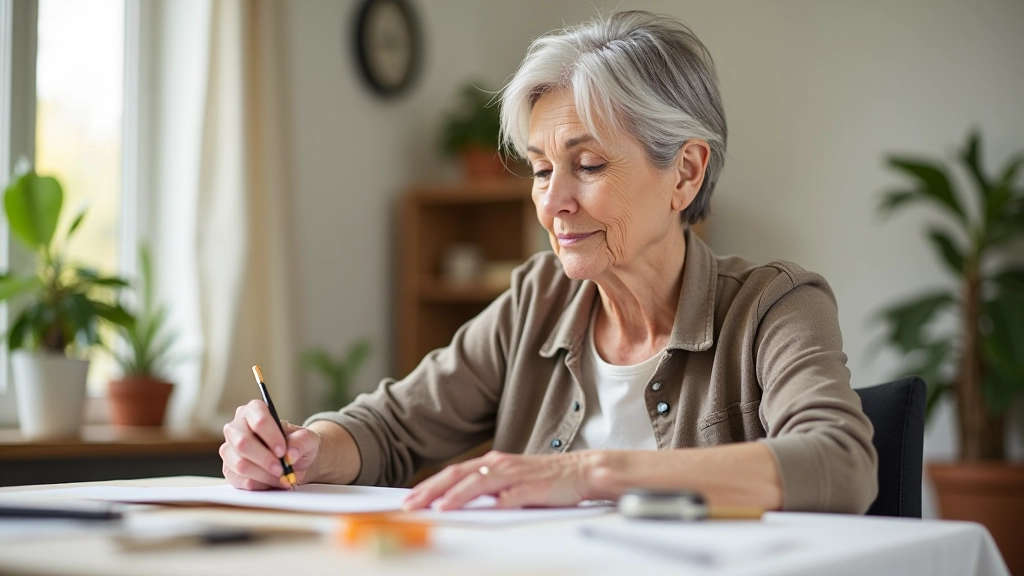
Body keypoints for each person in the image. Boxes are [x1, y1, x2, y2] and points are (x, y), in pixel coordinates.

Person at [219, 10, 878, 514]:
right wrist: (305, 450)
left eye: (587, 166)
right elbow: (391, 427)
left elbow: (841, 463)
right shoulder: (539, 299)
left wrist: (593, 473)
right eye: (540, 169)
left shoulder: (774, 307)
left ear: (684, 173)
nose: (553, 201)